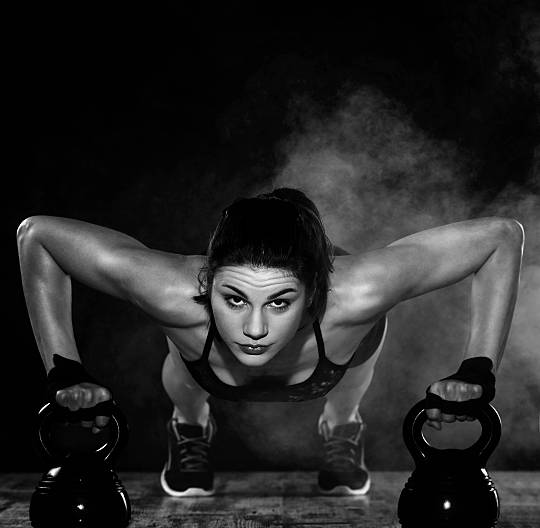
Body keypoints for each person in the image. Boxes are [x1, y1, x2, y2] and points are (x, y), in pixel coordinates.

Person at [17, 188, 524, 496]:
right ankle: (189, 427)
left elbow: (501, 236)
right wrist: (66, 371)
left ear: (314, 293)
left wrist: (478, 369)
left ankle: (342, 425)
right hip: (201, 362)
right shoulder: (170, 288)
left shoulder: (357, 290)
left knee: (359, 341)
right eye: (234, 299)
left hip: (335, 354)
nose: (254, 329)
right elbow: (37, 235)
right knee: (185, 350)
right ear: (207, 282)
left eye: (279, 302)